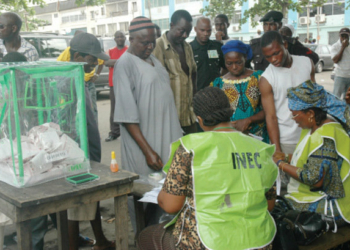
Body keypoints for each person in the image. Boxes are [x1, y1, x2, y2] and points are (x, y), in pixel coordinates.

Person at [137, 87, 278, 250]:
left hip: (208, 241)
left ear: (200, 119)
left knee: (147, 236)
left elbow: (170, 205)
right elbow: (269, 205)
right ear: (229, 113)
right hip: (259, 240)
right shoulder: (262, 149)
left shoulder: (190, 148)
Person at [113, 16, 183, 231]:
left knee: (166, 192)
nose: (150, 46)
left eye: (153, 41)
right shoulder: (124, 64)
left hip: (166, 138)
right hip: (145, 146)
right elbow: (126, 116)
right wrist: (148, 151)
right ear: (131, 39)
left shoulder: (153, 59)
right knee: (143, 195)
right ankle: (142, 238)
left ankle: (161, 237)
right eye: (145, 42)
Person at [273, 81, 350, 229]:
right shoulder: (313, 127)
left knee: (278, 210)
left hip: (336, 205)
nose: (292, 119)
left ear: (310, 113)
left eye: (294, 114)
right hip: (322, 195)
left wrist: (281, 165)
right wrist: (287, 157)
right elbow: (312, 159)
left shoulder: (325, 135)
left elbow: (314, 180)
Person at [259, 31, 315, 155]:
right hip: (287, 140)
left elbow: (315, 99)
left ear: (285, 45)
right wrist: (277, 149)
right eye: (268, 57)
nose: (273, 59)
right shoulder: (266, 79)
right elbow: (271, 116)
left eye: (276, 53)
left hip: (311, 134)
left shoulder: (307, 63)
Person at [212, 40, 269, 142]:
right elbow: (217, 114)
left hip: (258, 134)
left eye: (238, 62)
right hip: (232, 136)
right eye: (229, 63)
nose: (234, 67)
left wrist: (248, 120)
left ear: (245, 58)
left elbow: (269, 109)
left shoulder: (259, 77)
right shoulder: (218, 83)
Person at [153, 10, 197, 134]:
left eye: (188, 32)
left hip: (189, 116)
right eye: (181, 31)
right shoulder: (158, 46)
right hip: (170, 119)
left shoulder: (187, 47)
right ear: (171, 25)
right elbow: (155, 83)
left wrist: (194, 97)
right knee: (174, 153)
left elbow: (193, 73)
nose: (185, 35)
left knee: (192, 152)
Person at [57, 30, 104, 123]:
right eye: (92, 60)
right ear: (77, 56)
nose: (96, 63)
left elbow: (101, 62)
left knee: (91, 110)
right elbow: (59, 64)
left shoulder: (93, 51)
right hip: (76, 83)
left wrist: (96, 75)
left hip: (88, 83)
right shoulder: (68, 51)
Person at [250, 10, 319, 71]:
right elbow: (243, 65)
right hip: (263, 84)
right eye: (265, 24)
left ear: (279, 25)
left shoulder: (290, 44)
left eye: (271, 24)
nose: (268, 28)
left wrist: (297, 73)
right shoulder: (255, 45)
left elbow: (314, 58)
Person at [190, 16, 225, 91]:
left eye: (208, 31)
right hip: (198, 94)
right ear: (195, 29)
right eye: (202, 30)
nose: (206, 34)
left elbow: (225, 66)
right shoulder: (189, 49)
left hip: (216, 92)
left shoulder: (217, 46)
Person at [104, 31, 128, 142]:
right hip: (114, 84)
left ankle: (129, 133)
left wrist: (115, 62)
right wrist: (122, 61)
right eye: (117, 37)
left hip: (127, 83)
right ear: (114, 39)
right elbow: (107, 62)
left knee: (128, 107)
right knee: (114, 109)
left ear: (125, 38)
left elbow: (130, 62)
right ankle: (114, 133)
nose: (119, 38)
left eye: (121, 36)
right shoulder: (110, 51)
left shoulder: (129, 50)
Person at [331, 27, 350, 99]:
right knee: (336, 97)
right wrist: (342, 47)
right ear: (339, 36)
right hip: (340, 76)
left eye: (346, 36)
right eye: (342, 36)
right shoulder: (335, 46)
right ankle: (335, 110)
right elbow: (335, 60)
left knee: (348, 99)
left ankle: (347, 110)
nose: (344, 37)